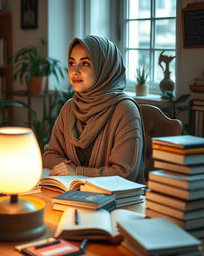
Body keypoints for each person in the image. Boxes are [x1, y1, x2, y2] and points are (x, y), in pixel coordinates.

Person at [43, 35, 145, 184]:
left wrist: (77, 172)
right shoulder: (70, 107)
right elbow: (49, 156)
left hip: (119, 201)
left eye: (85, 63)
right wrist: (68, 170)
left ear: (105, 68)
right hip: (75, 196)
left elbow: (124, 173)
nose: (75, 71)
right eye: (72, 63)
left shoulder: (125, 110)